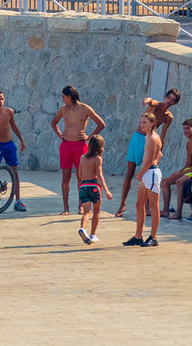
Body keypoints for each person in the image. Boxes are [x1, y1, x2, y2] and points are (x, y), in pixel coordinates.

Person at [52, 86, 104, 214]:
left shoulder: (85, 109)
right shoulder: (63, 110)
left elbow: (101, 124)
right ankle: (66, 208)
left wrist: (89, 137)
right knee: (65, 177)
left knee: (81, 177)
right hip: (66, 145)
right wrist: (60, 135)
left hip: (80, 146)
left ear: (70, 96)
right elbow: (53, 123)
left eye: (64, 97)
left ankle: (81, 206)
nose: (62, 99)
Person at [161, 117, 192, 219]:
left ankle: (178, 212)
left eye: (188, 128)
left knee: (180, 181)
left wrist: (180, 175)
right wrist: (178, 172)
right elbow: (188, 164)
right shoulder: (188, 143)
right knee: (165, 182)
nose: (185, 131)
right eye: (184, 128)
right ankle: (166, 210)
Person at [126, 124, 164, 246]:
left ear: (152, 124)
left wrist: (141, 173)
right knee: (139, 204)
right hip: (147, 173)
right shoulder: (147, 137)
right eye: (141, 122)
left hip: (150, 172)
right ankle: (138, 236)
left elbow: (150, 159)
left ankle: (153, 237)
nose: (142, 125)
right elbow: (159, 155)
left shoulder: (153, 138)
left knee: (153, 205)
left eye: (145, 122)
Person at [116, 108, 153, 220]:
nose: (169, 101)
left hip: (149, 138)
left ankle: (147, 206)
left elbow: (164, 132)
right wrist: (151, 102)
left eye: (172, 100)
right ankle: (122, 205)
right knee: (130, 172)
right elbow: (150, 105)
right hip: (137, 137)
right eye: (168, 98)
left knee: (147, 173)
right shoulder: (155, 107)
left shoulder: (168, 116)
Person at [76, 122, 110, 245]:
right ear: (101, 148)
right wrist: (106, 190)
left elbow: (79, 174)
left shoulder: (82, 158)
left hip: (83, 186)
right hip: (94, 186)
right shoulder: (98, 159)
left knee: (86, 212)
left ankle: (82, 229)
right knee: (96, 212)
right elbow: (99, 175)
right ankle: (92, 234)